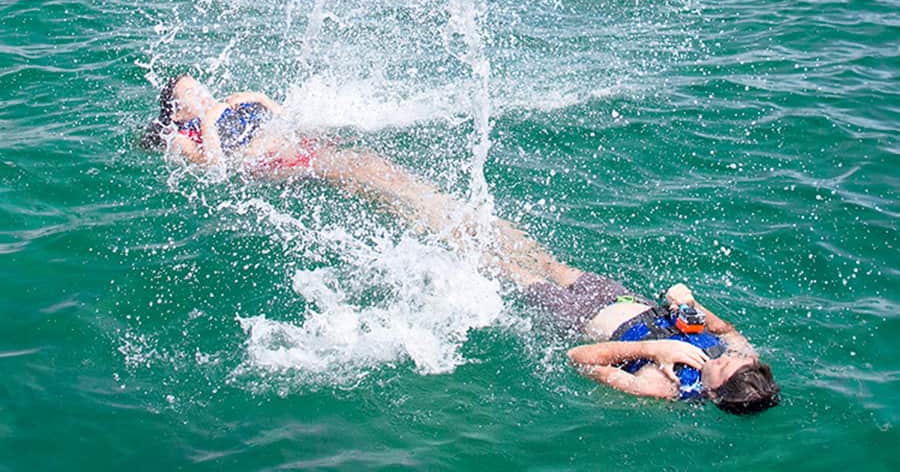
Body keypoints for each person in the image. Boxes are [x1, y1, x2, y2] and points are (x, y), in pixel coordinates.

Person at [143, 74, 779, 414]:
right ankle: (441, 213)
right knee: (522, 244)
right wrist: (691, 313)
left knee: (488, 256)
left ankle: (428, 223)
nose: (722, 358)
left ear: (719, 392)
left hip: (582, 319)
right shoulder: (736, 351)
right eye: (730, 360)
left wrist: (657, 346)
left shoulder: (664, 388)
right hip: (611, 293)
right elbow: (719, 328)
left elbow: (583, 359)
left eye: (722, 369)